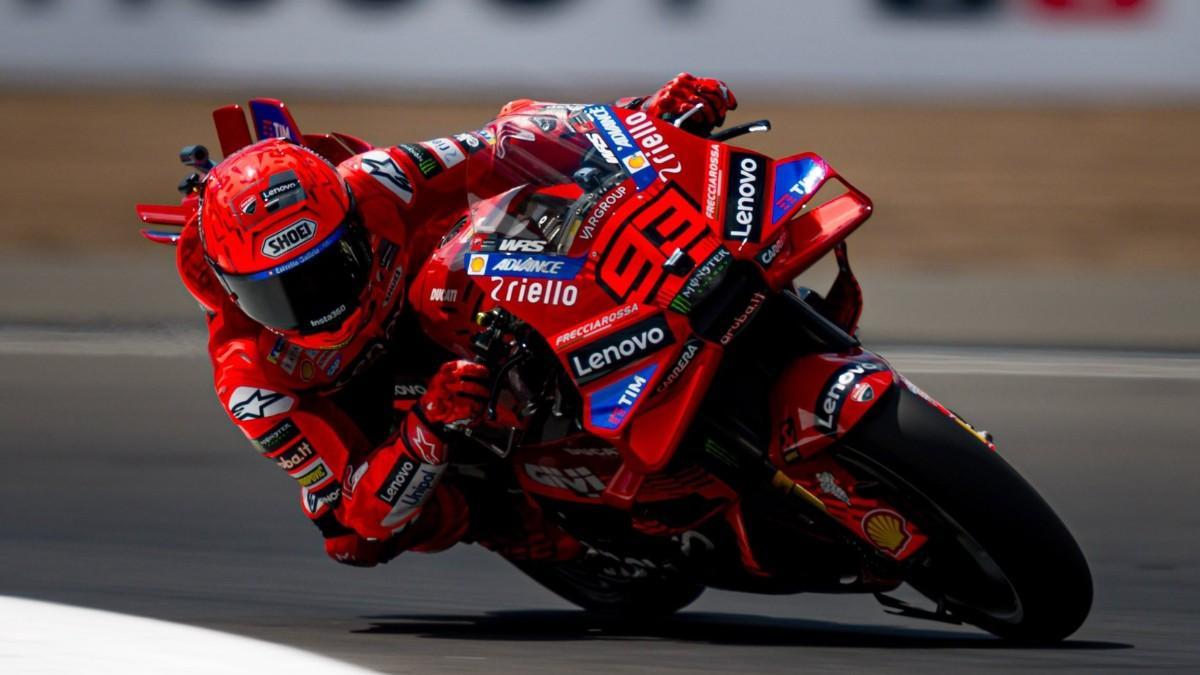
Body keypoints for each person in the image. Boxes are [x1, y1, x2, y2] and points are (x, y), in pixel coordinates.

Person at [184, 73, 737, 567]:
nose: (313, 305)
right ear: (233, 290)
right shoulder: (249, 380)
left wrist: (646, 112)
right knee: (351, 540)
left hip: (462, 291)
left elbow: (511, 137)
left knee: (526, 195)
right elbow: (361, 508)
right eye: (276, 295)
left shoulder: (379, 179)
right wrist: (428, 423)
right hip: (381, 407)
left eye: (327, 271)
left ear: (352, 223)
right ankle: (504, 525)